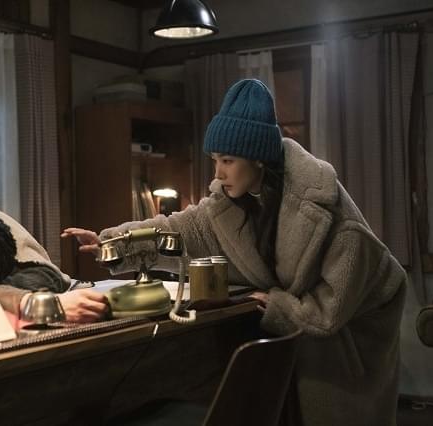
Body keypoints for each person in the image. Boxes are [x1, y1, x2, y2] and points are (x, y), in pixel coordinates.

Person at [62, 79, 407, 425]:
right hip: (304, 327)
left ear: (257, 159)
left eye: (227, 160)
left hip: (354, 327)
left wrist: (279, 306)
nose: (218, 172)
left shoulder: (330, 215)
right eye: (215, 159)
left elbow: (331, 308)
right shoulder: (231, 200)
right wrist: (114, 243)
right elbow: (180, 229)